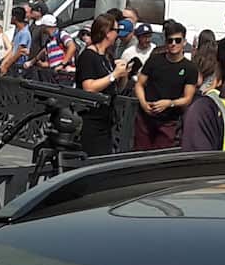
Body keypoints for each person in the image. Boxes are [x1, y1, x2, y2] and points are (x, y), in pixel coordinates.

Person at [132, 21, 196, 151]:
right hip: (145, 118)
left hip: (169, 120)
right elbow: (139, 84)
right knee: (139, 155)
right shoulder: (155, 60)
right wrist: (143, 103)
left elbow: (187, 98)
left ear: (184, 42)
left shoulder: (190, 68)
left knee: (160, 156)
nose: (173, 44)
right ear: (165, 42)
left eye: (178, 40)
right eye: (170, 40)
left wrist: (169, 103)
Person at [75, 13, 130, 157]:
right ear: (107, 32)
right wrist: (114, 75)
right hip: (90, 118)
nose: (118, 35)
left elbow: (116, 87)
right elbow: (89, 87)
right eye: (116, 30)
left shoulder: (107, 56)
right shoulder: (88, 56)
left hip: (107, 118)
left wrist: (123, 74)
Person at [0, 6, 31, 76]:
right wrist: (4, 63)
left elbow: (19, 52)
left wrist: (6, 66)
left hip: (19, 69)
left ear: (14, 18)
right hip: (12, 67)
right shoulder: (17, 31)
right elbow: (13, 49)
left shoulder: (25, 33)